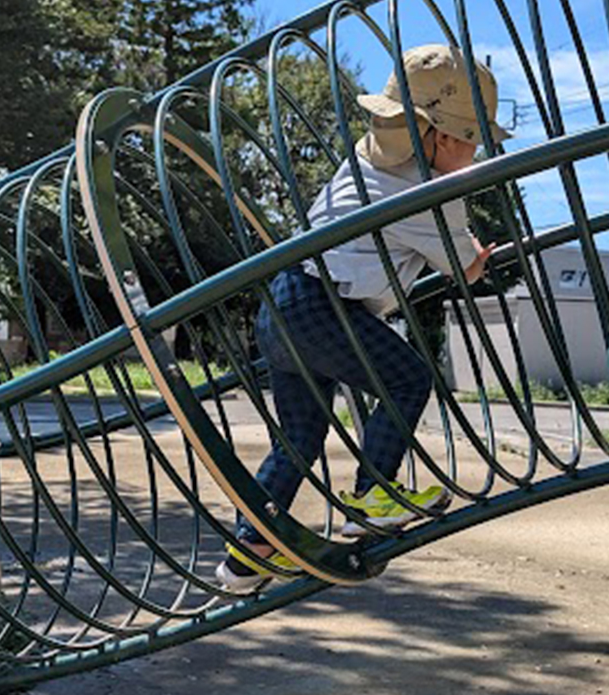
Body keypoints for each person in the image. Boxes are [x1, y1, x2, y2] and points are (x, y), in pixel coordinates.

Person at [216, 44, 509, 593]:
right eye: (475, 143)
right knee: (408, 377)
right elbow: (465, 269)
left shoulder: (363, 162)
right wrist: (475, 256)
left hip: (282, 303)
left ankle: (245, 552)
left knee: (298, 439)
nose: (476, 155)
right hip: (323, 308)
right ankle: (374, 493)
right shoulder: (429, 192)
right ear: (444, 138)